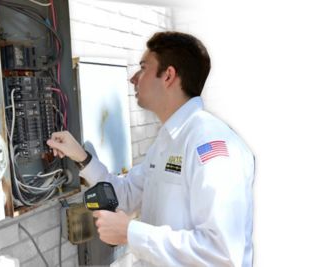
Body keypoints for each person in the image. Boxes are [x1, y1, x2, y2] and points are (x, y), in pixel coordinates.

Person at [47, 31, 254, 267]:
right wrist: (83, 158)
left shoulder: (212, 144)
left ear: (168, 76)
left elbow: (222, 254)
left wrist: (130, 233)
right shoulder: (166, 142)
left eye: (143, 68)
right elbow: (125, 196)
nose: (133, 78)